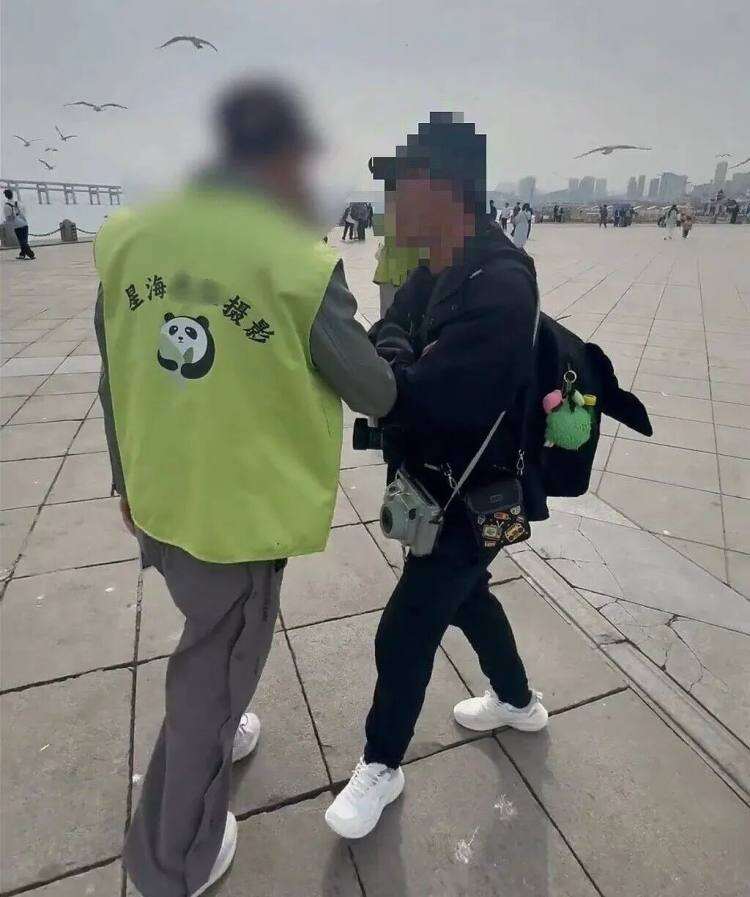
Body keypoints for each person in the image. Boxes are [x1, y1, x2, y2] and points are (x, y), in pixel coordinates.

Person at [95, 79, 397, 897]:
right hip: (236, 517)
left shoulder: (127, 235)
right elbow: (373, 388)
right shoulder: (295, 260)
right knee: (213, 669)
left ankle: (222, 732)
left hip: (158, 496)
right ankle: (174, 860)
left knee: (205, 634)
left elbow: (112, 368)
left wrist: (123, 475)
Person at [326, 112, 547, 840]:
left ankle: (381, 764)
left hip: (475, 496)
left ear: (448, 189)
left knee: (406, 627)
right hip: (430, 486)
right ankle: (517, 699)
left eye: (401, 187)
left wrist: (397, 366)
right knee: (468, 597)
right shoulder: (436, 266)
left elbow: (424, 396)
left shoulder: (502, 283)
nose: (389, 204)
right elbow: (390, 335)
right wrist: (401, 357)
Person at [3, 188, 36, 260]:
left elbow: (8, 218)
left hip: (17, 225)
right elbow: (24, 211)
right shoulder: (18, 203)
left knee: (22, 241)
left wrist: (8, 223)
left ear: (6, 196)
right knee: (24, 241)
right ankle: (22, 254)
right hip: (24, 223)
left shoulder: (6, 206)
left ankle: (31, 254)